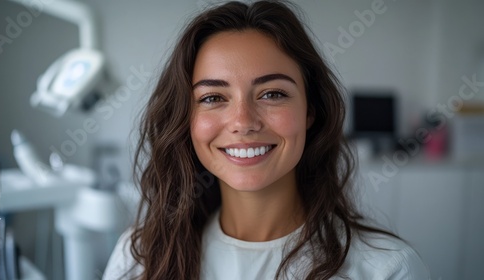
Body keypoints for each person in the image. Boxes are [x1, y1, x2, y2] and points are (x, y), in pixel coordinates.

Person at [103, 1, 430, 279]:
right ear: (186, 119)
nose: (243, 122)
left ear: (310, 111)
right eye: (213, 97)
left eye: (272, 94)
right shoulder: (139, 258)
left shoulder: (388, 270)